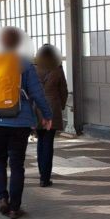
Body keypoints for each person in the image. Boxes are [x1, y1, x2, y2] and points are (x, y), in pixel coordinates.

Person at [0, 27, 52, 219]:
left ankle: (2, 198)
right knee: (17, 164)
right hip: (19, 120)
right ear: (17, 43)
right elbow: (37, 93)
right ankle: (15, 208)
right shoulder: (24, 64)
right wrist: (46, 115)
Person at [34, 45, 69, 187]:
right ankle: (45, 178)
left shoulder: (34, 68)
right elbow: (64, 90)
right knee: (48, 143)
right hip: (52, 108)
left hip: (37, 108)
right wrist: (61, 105)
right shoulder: (58, 69)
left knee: (40, 142)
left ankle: (41, 173)